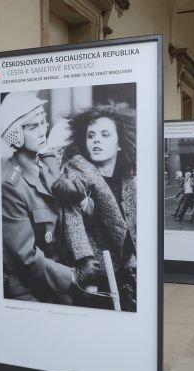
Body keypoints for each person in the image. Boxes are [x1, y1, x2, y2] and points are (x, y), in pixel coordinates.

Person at [0, 91, 100, 304]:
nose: (42, 131)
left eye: (43, 122)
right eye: (33, 127)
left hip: (61, 281)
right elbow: (26, 257)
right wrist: (73, 276)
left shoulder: (48, 166)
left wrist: (83, 202)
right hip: (30, 288)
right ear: (15, 133)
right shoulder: (11, 185)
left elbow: (79, 213)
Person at [53, 103, 137, 312]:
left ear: (120, 143)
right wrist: (85, 261)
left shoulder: (127, 176)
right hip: (99, 270)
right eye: (91, 135)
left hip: (126, 266)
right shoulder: (77, 170)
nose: (96, 140)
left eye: (105, 134)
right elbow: (72, 219)